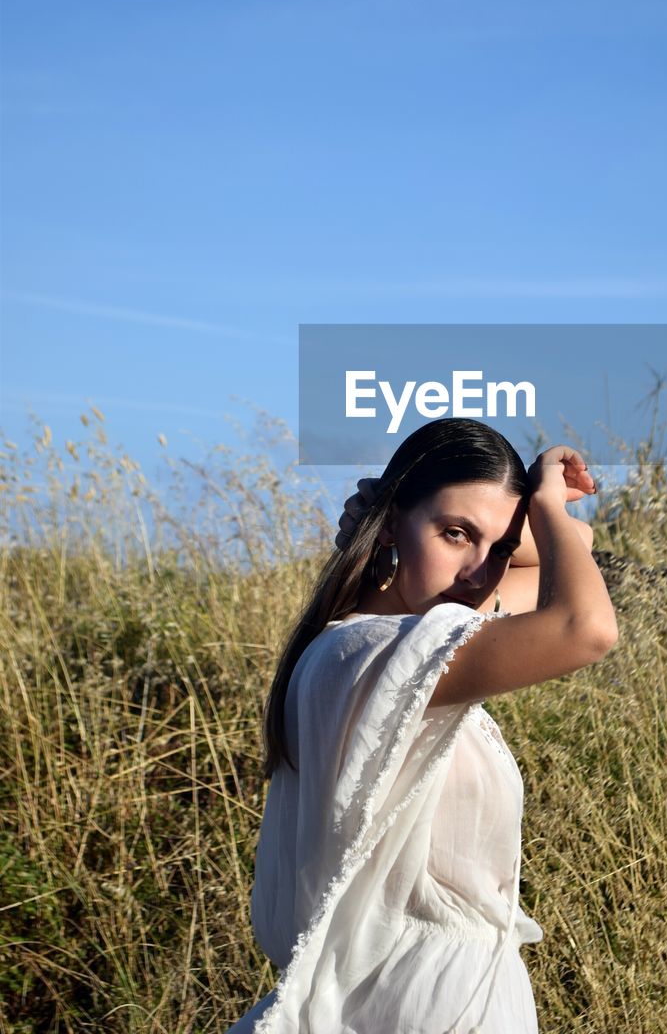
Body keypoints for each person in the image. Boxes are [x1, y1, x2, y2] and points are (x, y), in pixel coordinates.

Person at [227, 417, 618, 1034]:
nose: (479, 573)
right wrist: (543, 501)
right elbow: (585, 628)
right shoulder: (367, 656)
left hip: (440, 997)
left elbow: (579, 544)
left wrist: (515, 521)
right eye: (455, 534)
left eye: (499, 548)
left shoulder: (408, 641)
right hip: (420, 1005)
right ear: (389, 523)